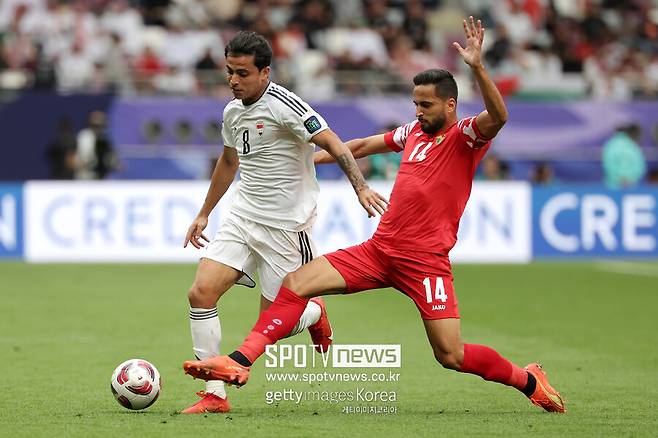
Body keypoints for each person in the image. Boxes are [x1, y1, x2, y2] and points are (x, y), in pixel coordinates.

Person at [182, 18, 566, 414]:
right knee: (296, 283)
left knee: (451, 355)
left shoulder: (466, 136)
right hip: (380, 250)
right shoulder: (413, 134)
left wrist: (478, 68)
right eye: (415, 103)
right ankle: (238, 362)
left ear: (450, 105)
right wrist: (303, 161)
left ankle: (530, 380)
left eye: (426, 105)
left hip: (425, 262)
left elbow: (499, 117)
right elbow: (363, 144)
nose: (417, 112)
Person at [180, 31, 386, 414]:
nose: (233, 81)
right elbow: (229, 163)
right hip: (242, 217)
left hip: (286, 228)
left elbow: (335, 144)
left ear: (264, 72)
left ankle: (313, 312)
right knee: (200, 293)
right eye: (229, 71)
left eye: (242, 73)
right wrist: (205, 211)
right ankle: (214, 394)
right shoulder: (232, 111)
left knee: (272, 322)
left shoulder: (286, 106)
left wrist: (360, 187)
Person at [602, 123, 647, 189]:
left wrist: (619, 179)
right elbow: (640, 166)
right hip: (629, 186)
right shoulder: (633, 146)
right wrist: (630, 179)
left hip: (613, 186)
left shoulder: (610, 145)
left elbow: (608, 164)